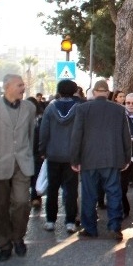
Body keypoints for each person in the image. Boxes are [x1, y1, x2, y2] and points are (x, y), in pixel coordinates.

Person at [0, 74, 36, 261]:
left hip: (22, 164)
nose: (23, 87)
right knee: (0, 207)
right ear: (7, 87)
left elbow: (30, 136)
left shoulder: (29, 107)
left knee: (21, 202)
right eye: (19, 85)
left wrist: (28, 156)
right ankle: (3, 244)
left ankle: (18, 237)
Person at [70, 80, 131, 241]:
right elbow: (126, 135)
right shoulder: (118, 110)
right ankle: (114, 227)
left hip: (89, 158)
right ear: (108, 92)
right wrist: (127, 157)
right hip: (112, 158)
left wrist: (74, 159)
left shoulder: (82, 109)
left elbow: (77, 136)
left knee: (89, 194)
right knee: (114, 193)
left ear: (95, 92)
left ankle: (90, 227)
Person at [39, 80, 82, 233]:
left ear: (58, 90)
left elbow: (44, 131)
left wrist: (42, 150)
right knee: (71, 190)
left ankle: (50, 220)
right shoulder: (79, 108)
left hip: (53, 154)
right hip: (71, 155)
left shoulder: (50, 108)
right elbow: (81, 133)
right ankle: (70, 221)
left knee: (52, 188)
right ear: (74, 90)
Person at [26, 97, 45, 210]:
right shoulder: (41, 118)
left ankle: (34, 198)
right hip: (35, 152)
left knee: (33, 175)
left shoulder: (39, 119)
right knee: (34, 175)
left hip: (33, 152)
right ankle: (35, 198)